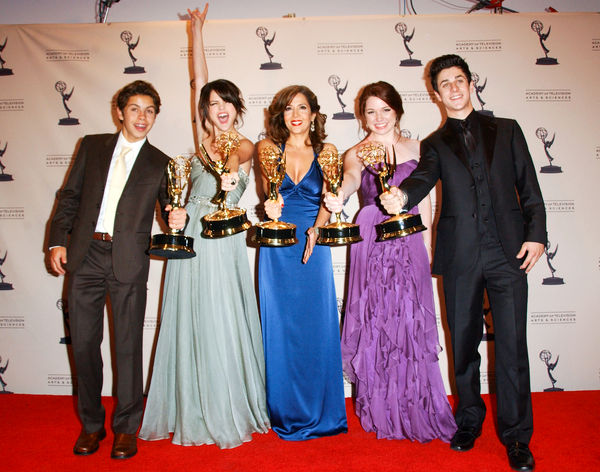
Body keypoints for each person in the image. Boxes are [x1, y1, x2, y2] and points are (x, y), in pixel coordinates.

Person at [380, 54, 546, 472]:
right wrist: (401, 196)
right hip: (459, 257)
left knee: (512, 347)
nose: (453, 88)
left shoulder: (507, 130)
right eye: (445, 84)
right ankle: (469, 419)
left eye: (459, 80)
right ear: (435, 93)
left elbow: (529, 186)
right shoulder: (434, 143)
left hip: (508, 253)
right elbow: (422, 177)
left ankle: (516, 436)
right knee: (463, 345)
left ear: (471, 83)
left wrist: (536, 235)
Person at [138, 4, 270, 448]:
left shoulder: (245, 144)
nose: (218, 109)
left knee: (223, 316)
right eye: (211, 105)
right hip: (190, 233)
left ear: (236, 106)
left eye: (225, 102)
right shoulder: (199, 145)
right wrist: (197, 31)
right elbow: (199, 79)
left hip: (225, 234)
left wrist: (227, 168)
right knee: (191, 317)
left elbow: (231, 165)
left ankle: (227, 402)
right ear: (204, 112)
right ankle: (191, 404)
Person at [47, 80, 187, 459]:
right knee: (86, 348)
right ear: (120, 111)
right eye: (135, 109)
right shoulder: (92, 146)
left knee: (127, 348)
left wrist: (177, 217)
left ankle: (126, 429)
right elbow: (70, 196)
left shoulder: (161, 162)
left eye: (150, 111)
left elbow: (168, 211)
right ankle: (91, 426)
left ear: (156, 116)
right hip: (85, 255)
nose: (142, 117)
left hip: (128, 260)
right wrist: (58, 240)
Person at [322, 81, 457, 442]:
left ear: (397, 110)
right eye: (371, 111)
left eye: (385, 109)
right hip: (371, 239)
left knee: (410, 322)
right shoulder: (355, 152)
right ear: (362, 116)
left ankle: (417, 405)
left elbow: (425, 199)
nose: (378, 118)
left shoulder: (419, 148)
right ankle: (381, 407)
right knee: (377, 320)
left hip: (411, 237)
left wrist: (428, 244)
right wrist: (337, 196)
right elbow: (350, 181)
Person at [257, 85, 347, 440]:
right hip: (278, 244)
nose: (295, 114)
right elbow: (269, 193)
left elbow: (331, 195)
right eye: (288, 108)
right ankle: (283, 409)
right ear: (280, 115)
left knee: (316, 325)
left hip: (314, 241)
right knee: (279, 327)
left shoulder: (328, 151)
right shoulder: (267, 148)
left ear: (313, 114)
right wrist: (269, 207)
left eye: (302, 107)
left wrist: (317, 230)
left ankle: (322, 411)